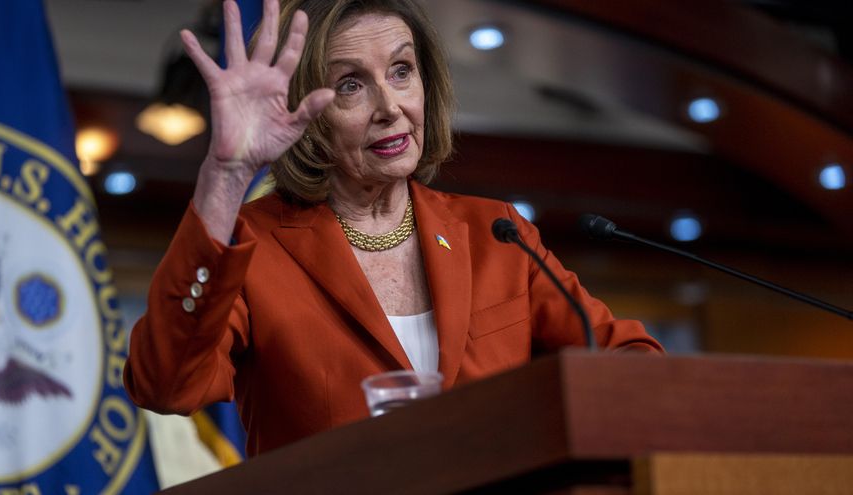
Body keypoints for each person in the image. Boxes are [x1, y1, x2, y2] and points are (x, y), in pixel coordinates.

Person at [123, 0, 663, 456]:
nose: (390, 107)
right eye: (351, 85)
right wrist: (226, 174)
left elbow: (628, 362)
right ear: (302, 109)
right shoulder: (255, 246)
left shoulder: (496, 232)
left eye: (402, 71)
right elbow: (166, 384)